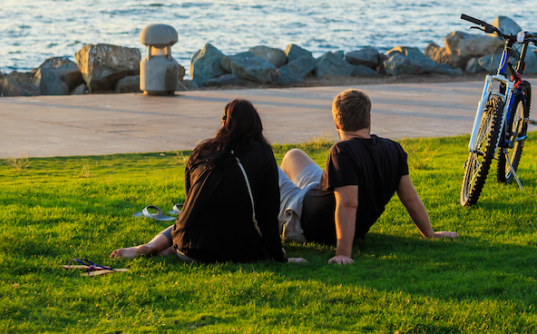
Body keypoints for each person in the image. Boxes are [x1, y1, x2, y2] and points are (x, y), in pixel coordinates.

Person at [279, 89, 457, 265]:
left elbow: (348, 204)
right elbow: (410, 197)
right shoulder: (394, 149)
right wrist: (430, 234)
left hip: (301, 218)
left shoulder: (342, 151)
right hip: (315, 195)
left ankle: (273, 215)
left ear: (336, 124)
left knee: (270, 167)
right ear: (369, 119)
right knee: (293, 155)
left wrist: (343, 254)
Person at [112, 99, 293, 264]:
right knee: (239, 233)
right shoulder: (263, 152)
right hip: (229, 251)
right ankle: (169, 250)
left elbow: (190, 198)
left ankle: (152, 246)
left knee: (182, 224)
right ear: (256, 124)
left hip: (187, 246)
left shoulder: (203, 149)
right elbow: (267, 211)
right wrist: (278, 256)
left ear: (224, 123)